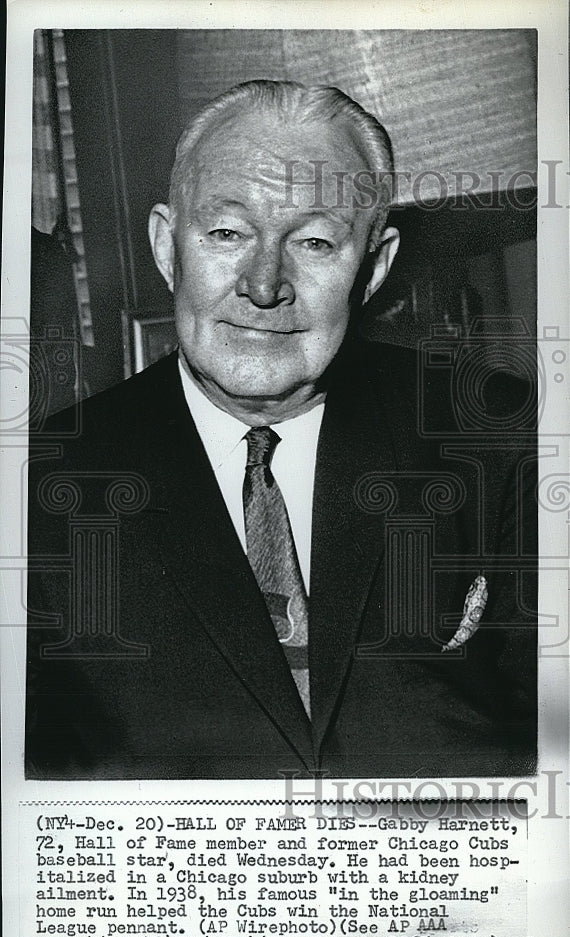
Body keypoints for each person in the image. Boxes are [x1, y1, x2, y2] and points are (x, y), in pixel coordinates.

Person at [25, 80, 537, 780]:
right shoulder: (40, 482)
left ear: (375, 265)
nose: (265, 285)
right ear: (168, 247)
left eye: (317, 241)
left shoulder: (499, 435)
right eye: (228, 233)